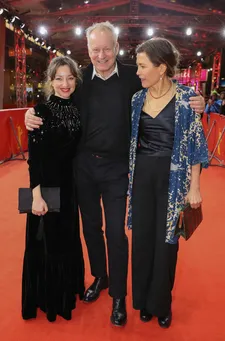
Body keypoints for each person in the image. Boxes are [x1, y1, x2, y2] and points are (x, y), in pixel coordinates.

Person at [24, 22, 206, 326]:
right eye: (95, 49)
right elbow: (59, 100)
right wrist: (34, 112)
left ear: (117, 46)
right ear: (88, 50)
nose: (101, 54)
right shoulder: (80, 80)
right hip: (82, 167)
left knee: (115, 233)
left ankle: (119, 295)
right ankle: (100, 277)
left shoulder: (134, 80)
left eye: (107, 48)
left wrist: (195, 101)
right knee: (91, 229)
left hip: (119, 169)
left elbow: (167, 90)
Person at [127, 38, 208, 329]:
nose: (138, 72)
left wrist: (194, 187)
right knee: (143, 240)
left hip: (174, 181)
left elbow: (197, 148)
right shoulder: (137, 99)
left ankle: (161, 304)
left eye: (142, 66)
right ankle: (144, 300)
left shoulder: (187, 98)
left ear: (161, 68)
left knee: (167, 242)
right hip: (141, 180)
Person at [22, 56, 85, 322]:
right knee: (46, 242)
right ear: (50, 81)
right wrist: (35, 196)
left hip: (70, 186)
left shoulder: (80, 108)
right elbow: (34, 158)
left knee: (66, 238)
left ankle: (67, 289)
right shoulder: (40, 111)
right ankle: (49, 300)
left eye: (70, 77)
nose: (65, 83)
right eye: (59, 78)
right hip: (46, 186)